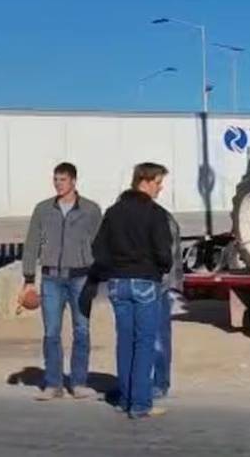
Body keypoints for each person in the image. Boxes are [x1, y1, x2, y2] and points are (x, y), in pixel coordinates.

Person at [87, 162, 175, 419]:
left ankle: (125, 398)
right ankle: (140, 404)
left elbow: (99, 249)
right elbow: (164, 252)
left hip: (117, 283)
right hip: (145, 281)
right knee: (145, 342)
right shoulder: (155, 213)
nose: (161, 188)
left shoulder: (113, 212)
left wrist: (111, 269)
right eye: (158, 182)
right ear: (145, 181)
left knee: (125, 341)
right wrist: (159, 268)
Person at [21, 162, 103, 401]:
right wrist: (28, 278)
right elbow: (32, 243)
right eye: (56, 179)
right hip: (51, 278)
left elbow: (99, 243)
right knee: (52, 333)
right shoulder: (43, 209)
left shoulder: (90, 210)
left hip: (80, 277)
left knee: (81, 330)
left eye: (63, 180)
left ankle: (78, 382)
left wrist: (96, 276)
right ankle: (53, 383)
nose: (58, 184)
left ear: (74, 181)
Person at [153, 209, 184, 400]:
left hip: (159, 286)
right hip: (140, 284)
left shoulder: (163, 218)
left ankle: (159, 382)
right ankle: (141, 382)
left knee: (158, 338)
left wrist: (173, 286)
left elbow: (173, 256)